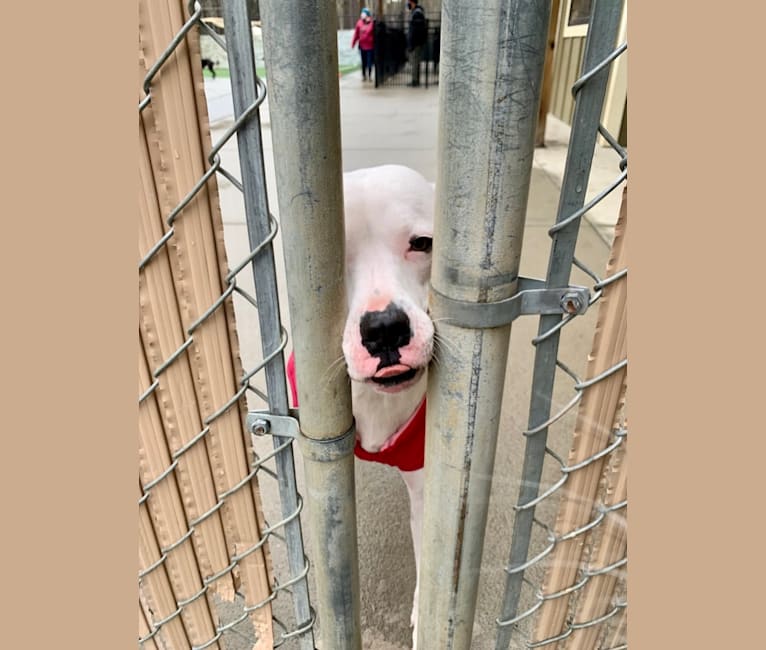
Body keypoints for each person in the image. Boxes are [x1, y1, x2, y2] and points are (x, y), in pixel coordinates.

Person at [406, 0, 427, 87]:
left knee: (415, 62)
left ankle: (415, 81)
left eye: (409, 2)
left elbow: (416, 31)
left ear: (412, 2)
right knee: (415, 62)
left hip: (416, 43)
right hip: (416, 43)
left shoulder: (417, 13)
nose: (408, 4)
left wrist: (413, 43)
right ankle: (415, 80)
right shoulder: (416, 12)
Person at [351, 8, 375, 82]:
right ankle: (364, 75)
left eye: (364, 13)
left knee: (369, 62)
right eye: (362, 13)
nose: (362, 15)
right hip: (362, 46)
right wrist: (353, 43)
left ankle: (370, 75)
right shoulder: (359, 23)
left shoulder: (372, 23)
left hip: (370, 47)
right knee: (363, 62)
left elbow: (374, 34)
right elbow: (356, 34)